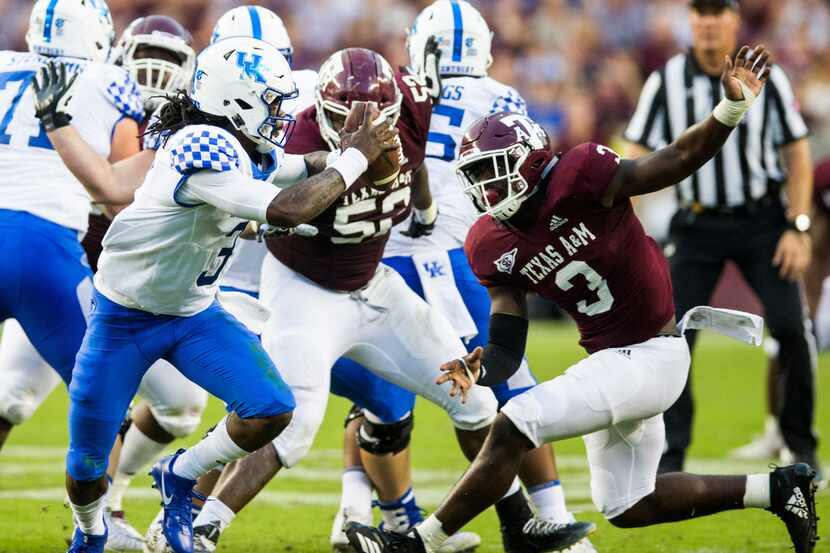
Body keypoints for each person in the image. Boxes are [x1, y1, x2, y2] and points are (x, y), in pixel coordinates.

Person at [346, 45, 819, 553]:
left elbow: (677, 159)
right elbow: (508, 345)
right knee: (630, 504)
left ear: (528, 159)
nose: (485, 188)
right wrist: (481, 368)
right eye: (476, 177)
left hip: (653, 355)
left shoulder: (582, 175)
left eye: (493, 169)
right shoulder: (489, 242)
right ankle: (776, 489)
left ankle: (420, 543)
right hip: (612, 362)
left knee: (515, 423)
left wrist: (730, 110)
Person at [181, 46, 593, 553]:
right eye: (342, 118)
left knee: (474, 399)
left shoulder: (415, 106)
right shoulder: (298, 135)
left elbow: (414, 161)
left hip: (373, 285)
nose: (359, 127)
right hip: (304, 291)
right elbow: (272, 206)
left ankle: (517, 525)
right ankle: (200, 527)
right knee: (293, 422)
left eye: (375, 119)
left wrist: (423, 209)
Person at [35, 35, 399, 553]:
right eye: (271, 103)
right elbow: (287, 209)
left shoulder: (244, 144)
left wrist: (343, 155)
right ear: (237, 99)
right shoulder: (200, 145)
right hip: (123, 319)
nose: (279, 116)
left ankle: (179, 475)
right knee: (87, 466)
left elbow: (301, 168)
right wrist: (356, 161)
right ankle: (90, 530)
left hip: (192, 314)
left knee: (271, 408)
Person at [330, 2, 595, 552]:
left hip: (380, 254)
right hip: (455, 258)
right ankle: (551, 519)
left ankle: (362, 511)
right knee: (504, 389)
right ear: (482, 47)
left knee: (382, 400)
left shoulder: (397, 87)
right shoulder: (499, 97)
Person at [623, 0, 817, 474]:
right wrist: (624, 235)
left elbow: (797, 153)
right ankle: (670, 459)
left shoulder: (767, 73)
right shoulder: (665, 80)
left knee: (793, 328)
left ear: (735, 20)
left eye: (718, 12)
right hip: (695, 225)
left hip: (763, 220)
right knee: (669, 339)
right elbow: (634, 156)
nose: (709, 23)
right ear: (690, 20)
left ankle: (802, 450)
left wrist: (798, 225)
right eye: (700, 12)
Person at [0, 0, 143, 452]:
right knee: (104, 392)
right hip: (44, 246)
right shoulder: (110, 81)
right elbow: (119, 193)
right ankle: (98, 521)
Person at [731, 156, 830, 471]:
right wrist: (810, 300)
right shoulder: (825, 175)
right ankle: (776, 430)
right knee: (784, 343)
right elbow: (819, 241)